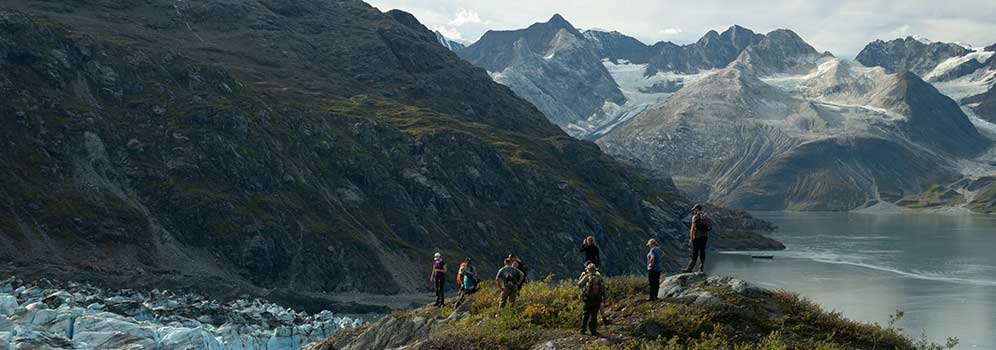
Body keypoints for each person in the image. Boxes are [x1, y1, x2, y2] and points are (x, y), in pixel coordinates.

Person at [577, 262, 605, 336]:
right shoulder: (599, 277)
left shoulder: (587, 276)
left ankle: (583, 329)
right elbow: (603, 288)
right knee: (594, 315)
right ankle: (593, 330)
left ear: (588, 269)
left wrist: (581, 277)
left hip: (588, 298)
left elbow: (579, 285)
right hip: (597, 298)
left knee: (586, 314)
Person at [682, 204, 711, 273]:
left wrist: (691, 238)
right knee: (702, 251)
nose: (694, 210)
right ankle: (701, 269)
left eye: (694, 209)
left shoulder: (695, 217)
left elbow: (692, 228)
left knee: (695, 252)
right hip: (705, 237)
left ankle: (689, 269)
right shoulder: (705, 216)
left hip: (697, 237)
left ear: (697, 209)